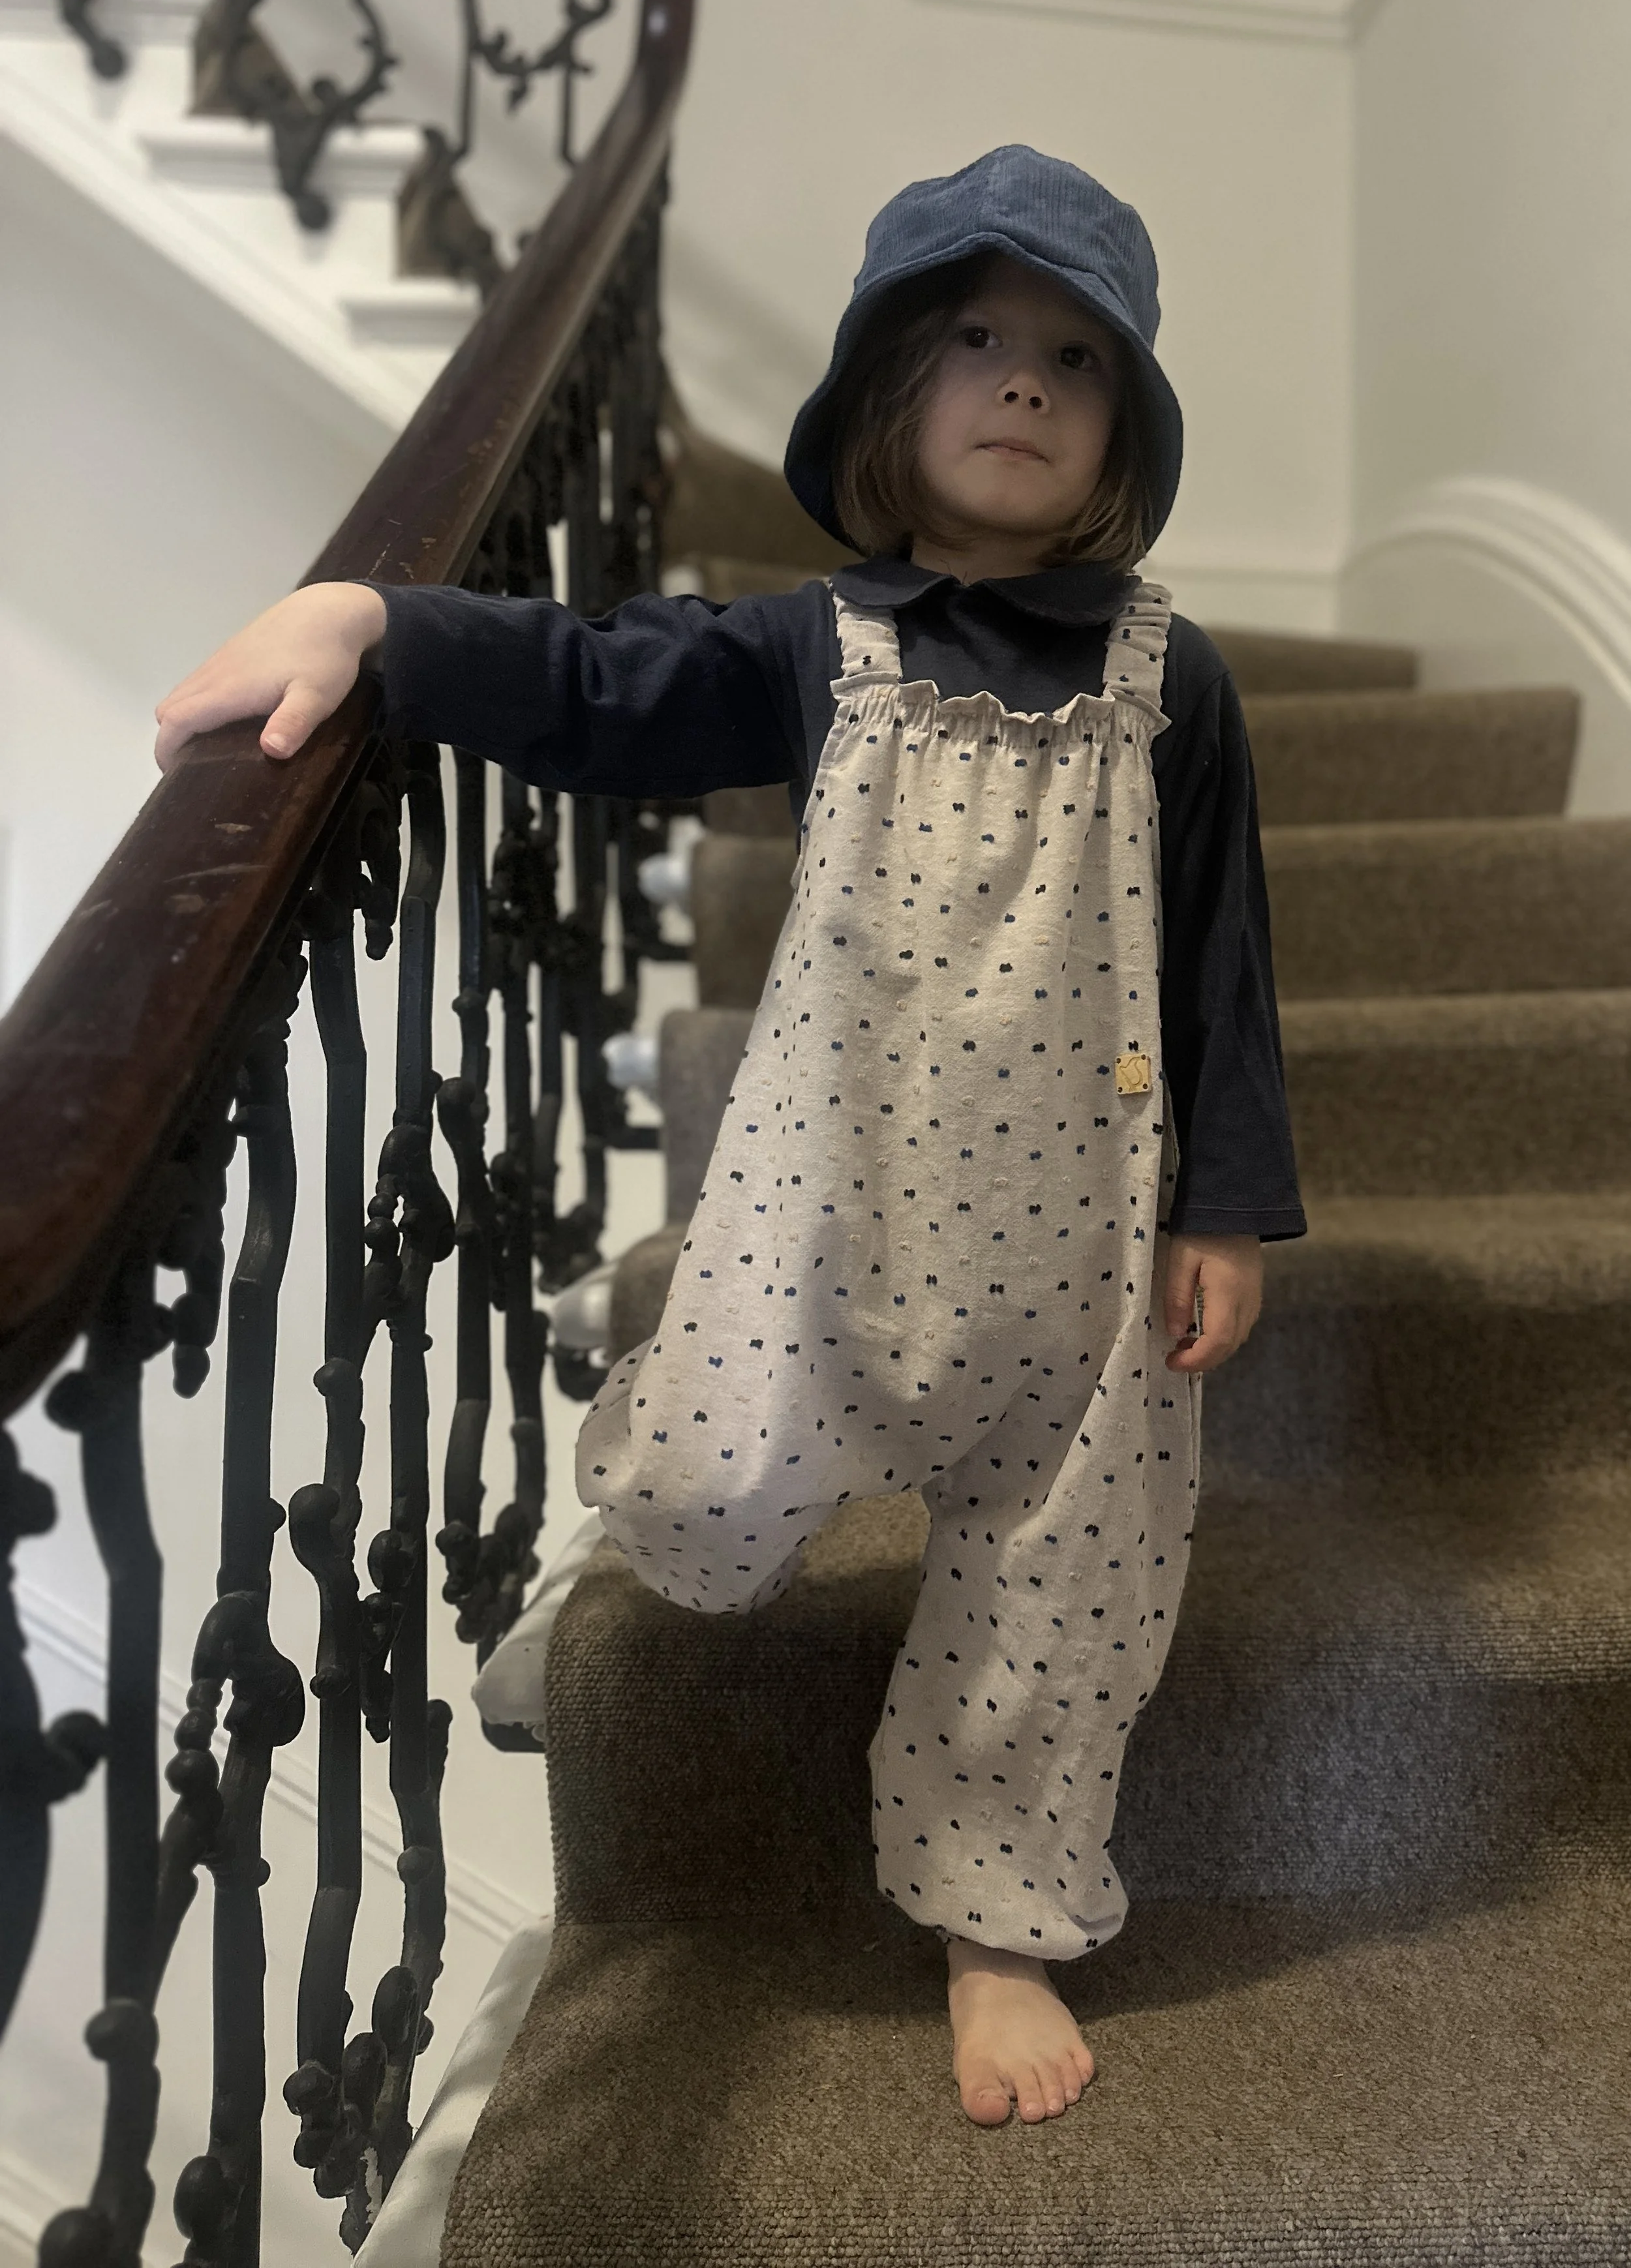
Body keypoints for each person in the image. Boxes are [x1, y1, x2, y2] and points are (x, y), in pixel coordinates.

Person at [155, 144, 1305, 2132]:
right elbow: (599, 687)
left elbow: (1223, 958)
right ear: (887, 396)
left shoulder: (1168, 684)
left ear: (1121, 421)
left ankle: (996, 1915)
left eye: (1070, 358)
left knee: (1065, 1584)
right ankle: (670, 1552)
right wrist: (373, 623)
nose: (1020, 383)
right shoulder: (814, 650)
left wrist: (1229, 1208)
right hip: (832, 1204)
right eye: (972, 341)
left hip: (1084, 1254)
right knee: (695, 1464)